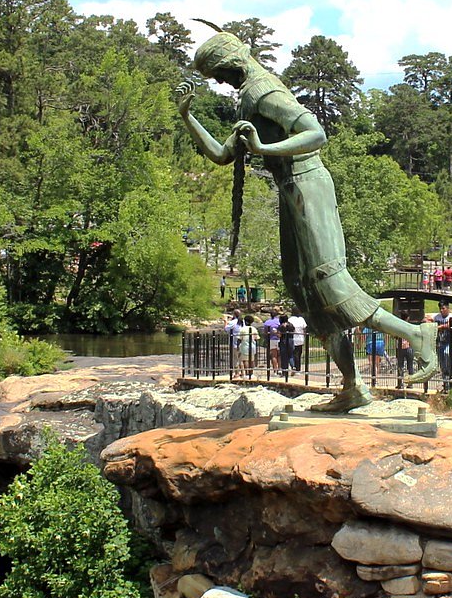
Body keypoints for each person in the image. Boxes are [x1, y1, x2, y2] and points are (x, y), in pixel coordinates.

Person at [176, 30, 437, 412]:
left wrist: (265, 148)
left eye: (219, 74)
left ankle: (416, 333)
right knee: (307, 294)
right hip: (290, 191)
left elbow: (316, 134)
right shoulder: (247, 99)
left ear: (231, 64)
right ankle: (353, 387)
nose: (220, 82)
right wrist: (188, 116)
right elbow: (221, 154)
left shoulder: (264, 91)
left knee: (329, 282)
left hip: (308, 186)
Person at [433, 302, 452, 390]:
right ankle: (445, 384)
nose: (441, 310)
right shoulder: (437, 317)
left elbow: (450, 325)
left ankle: (450, 382)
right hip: (440, 343)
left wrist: (440, 326)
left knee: (447, 360)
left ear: (448, 308)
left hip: (448, 343)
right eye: (440, 309)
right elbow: (430, 321)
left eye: (443, 308)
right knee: (442, 364)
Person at [237, 314, 259, 378]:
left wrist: (238, 347)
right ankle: (251, 373)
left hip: (245, 346)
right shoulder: (254, 329)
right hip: (252, 346)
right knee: (251, 360)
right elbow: (256, 338)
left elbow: (239, 339)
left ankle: (247, 374)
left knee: (245, 360)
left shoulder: (243, 329)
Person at [288, 307, 307, 372]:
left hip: (292, 338)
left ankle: (294, 367)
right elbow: (304, 329)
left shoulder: (290, 319)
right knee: (298, 354)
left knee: (292, 354)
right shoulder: (301, 319)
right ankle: (298, 368)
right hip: (300, 339)